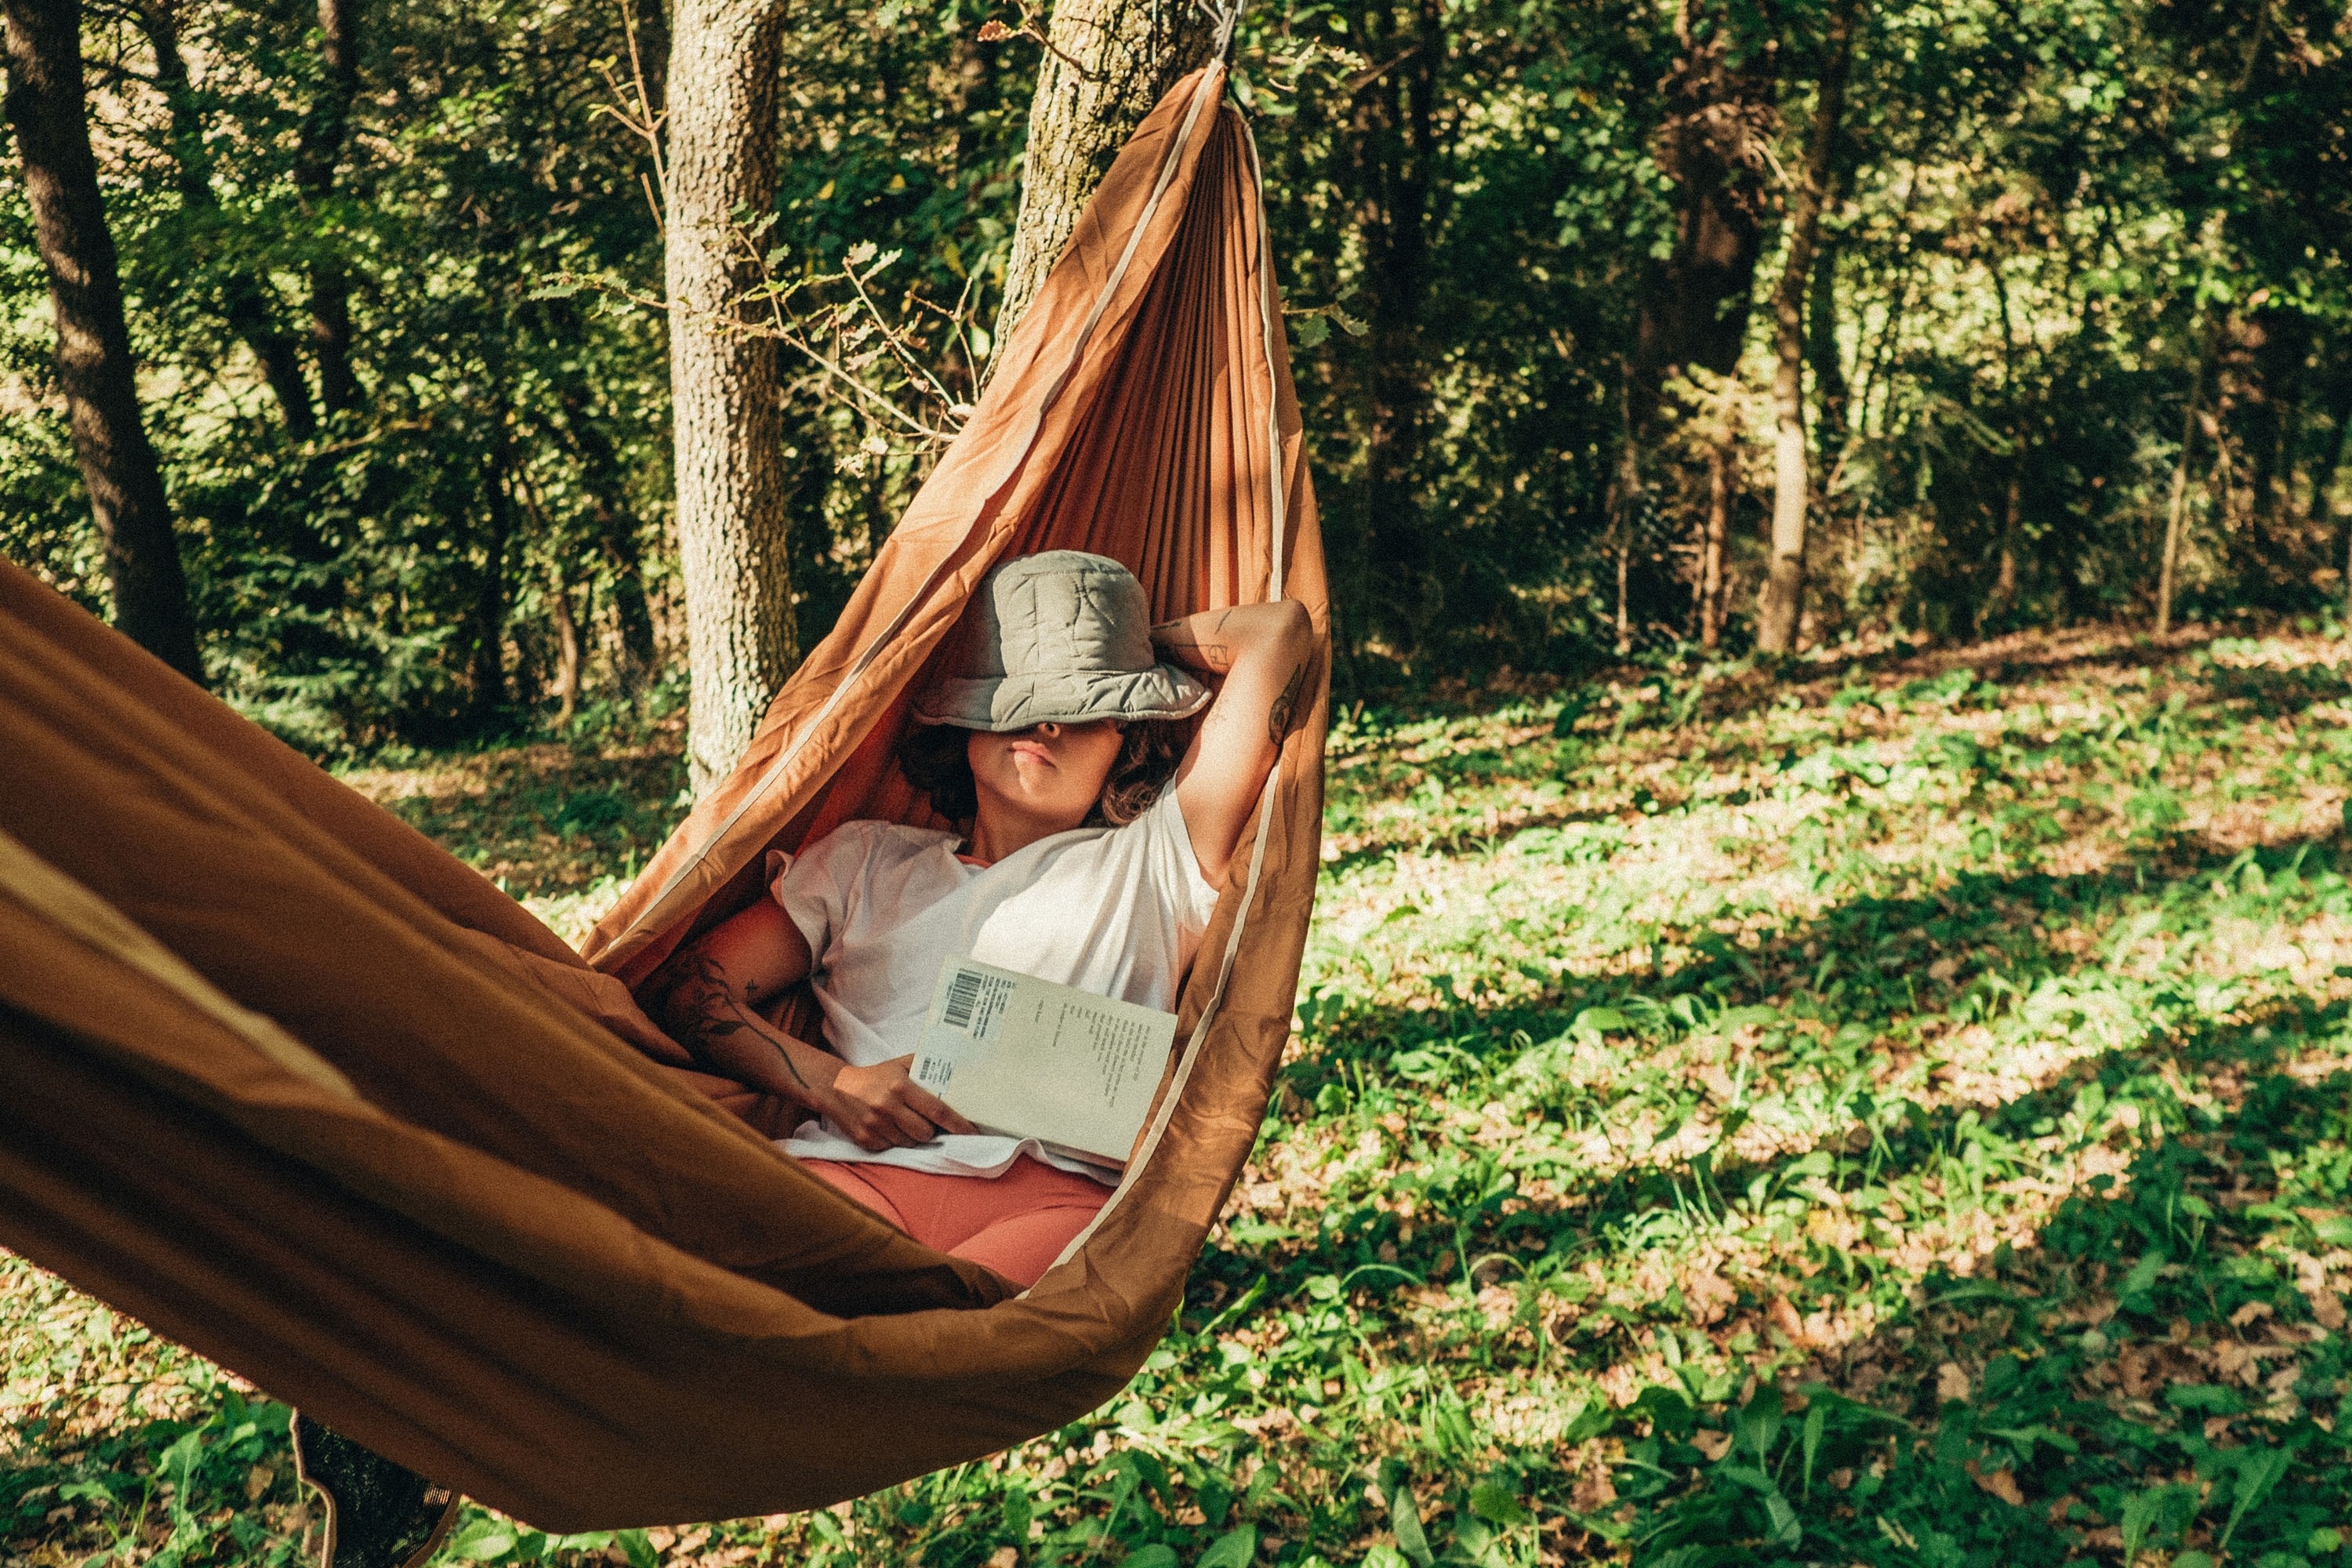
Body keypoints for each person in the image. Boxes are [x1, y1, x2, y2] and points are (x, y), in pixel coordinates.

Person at [655, 550, 1314, 1286]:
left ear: (1126, 739)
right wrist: (834, 1085)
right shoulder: (864, 862)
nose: (1046, 722)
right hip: (857, 1175)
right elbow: (691, 986)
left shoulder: (1157, 858)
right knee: (718, 1279)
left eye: (1083, 706)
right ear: (965, 725)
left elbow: (1279, 632)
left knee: (942, 1339)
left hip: (1057, 1206)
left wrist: (1124, 646)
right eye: (1018, 695)